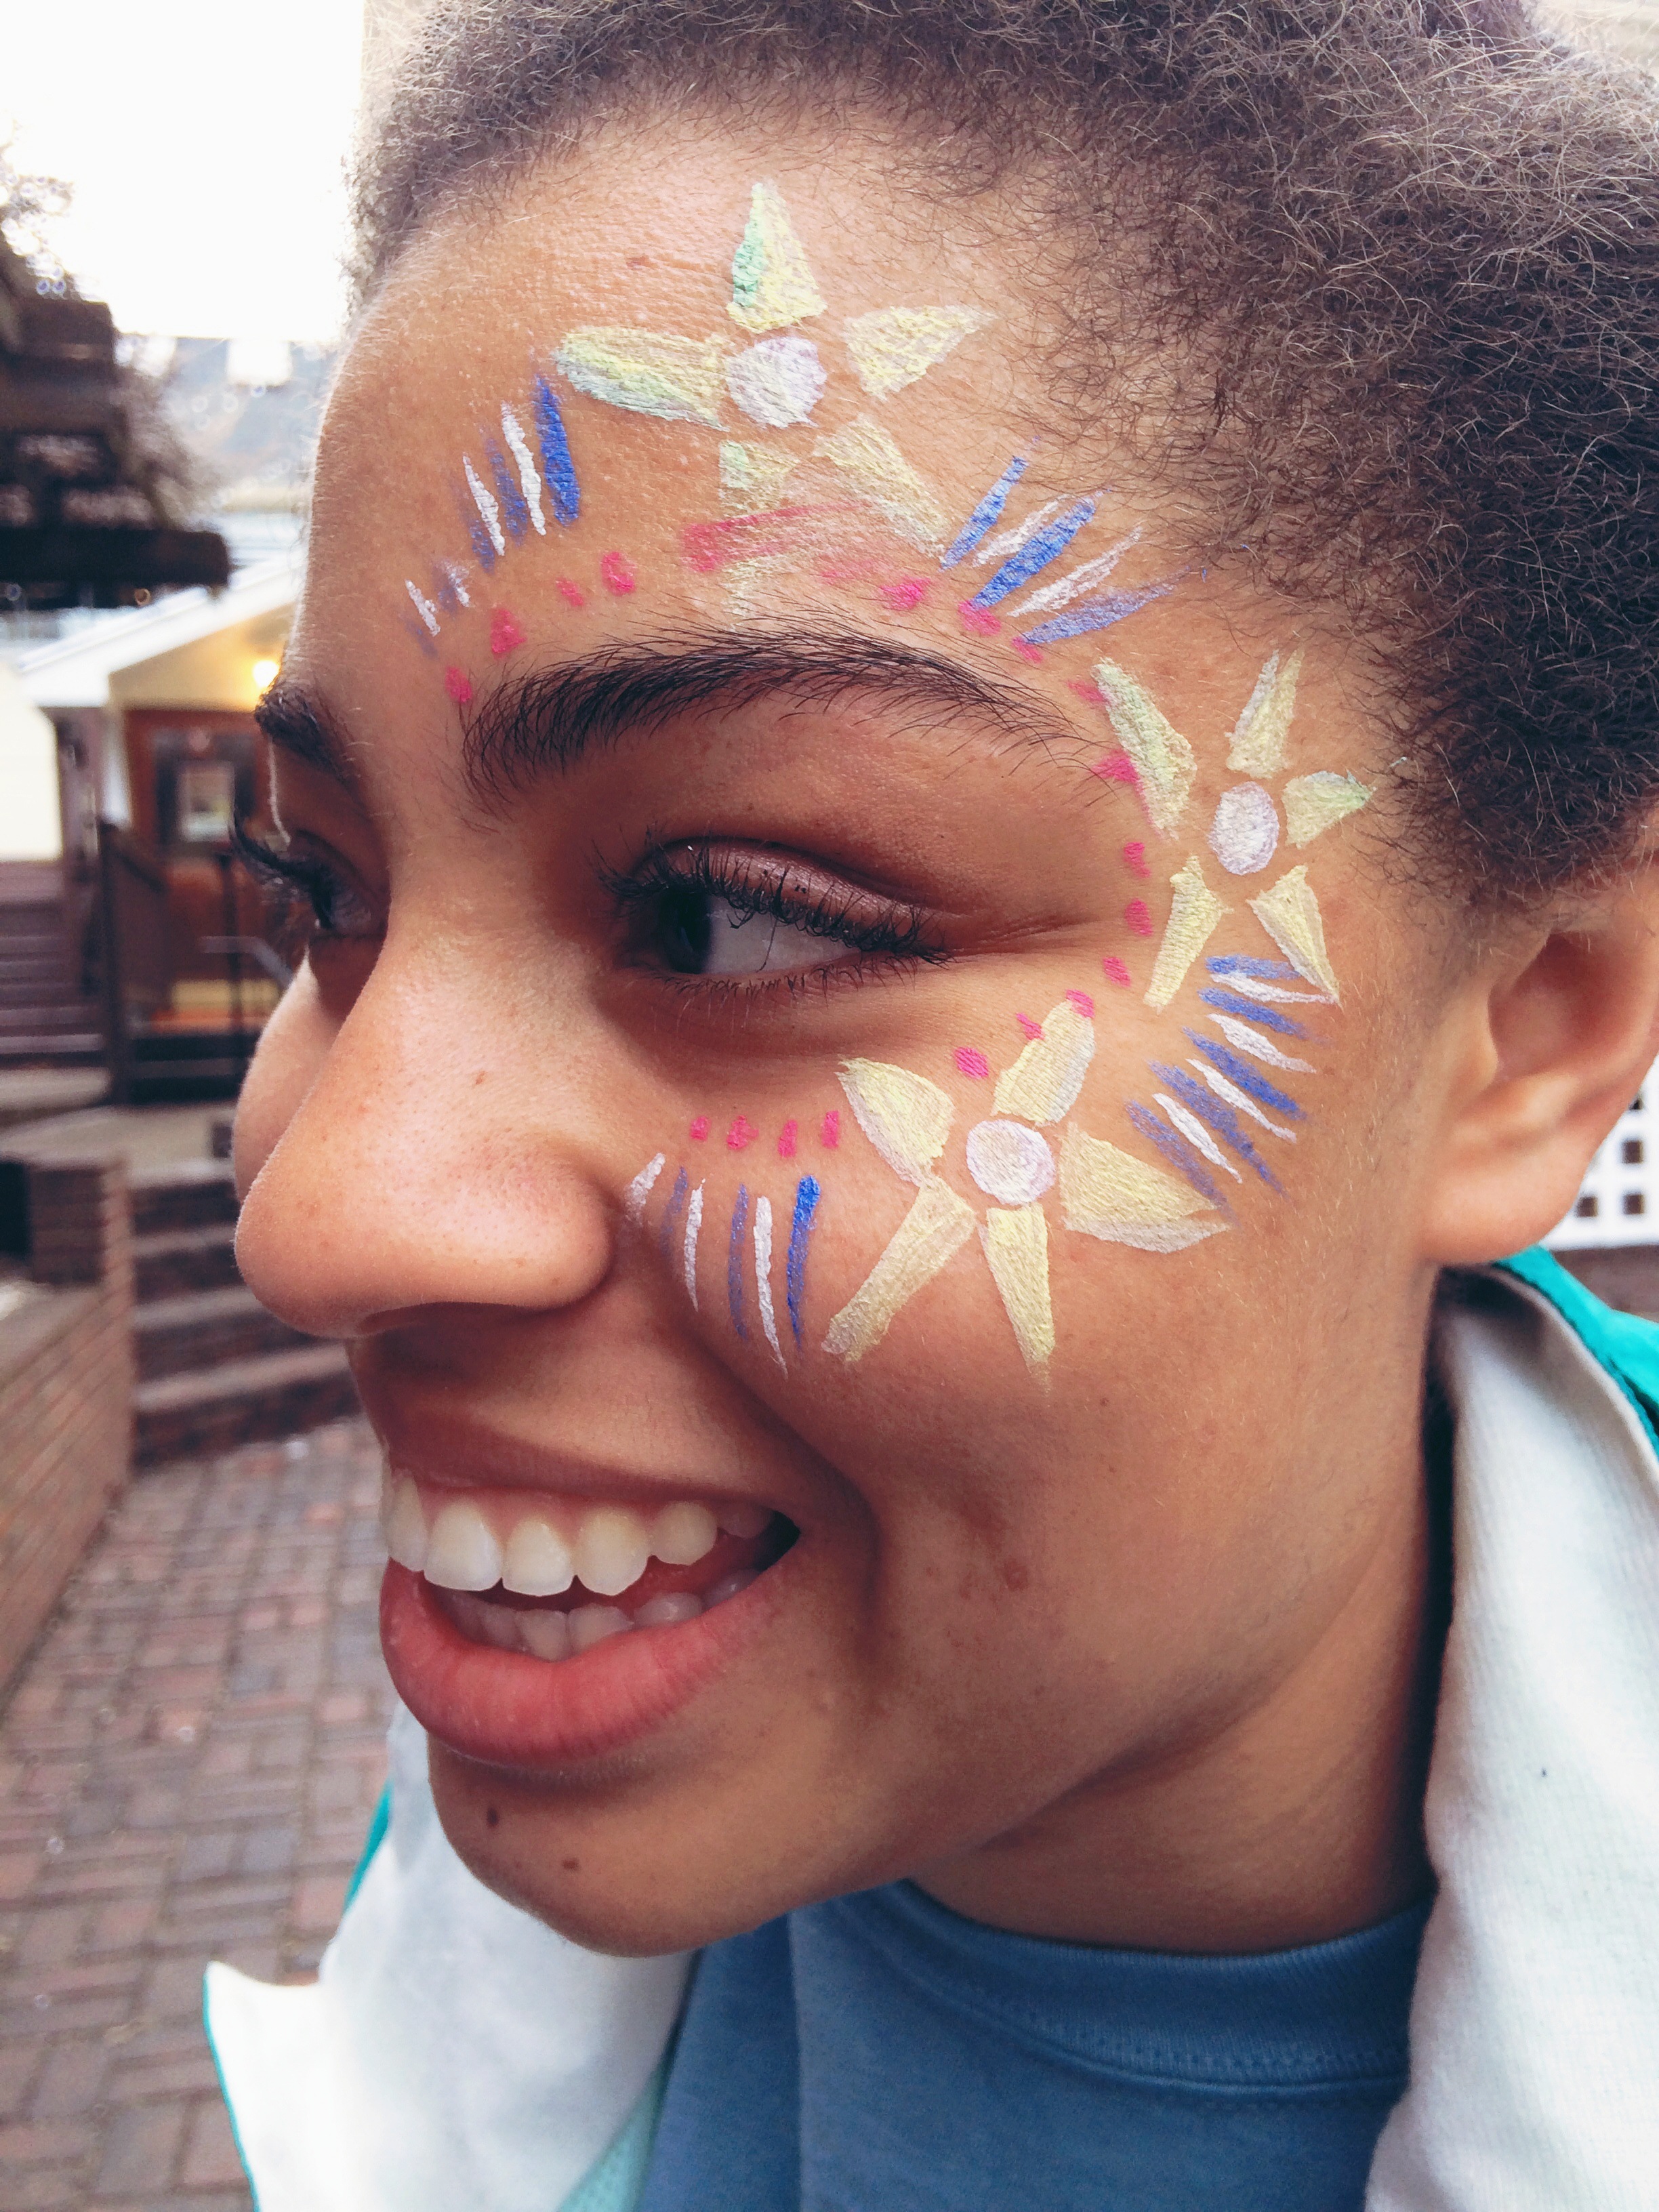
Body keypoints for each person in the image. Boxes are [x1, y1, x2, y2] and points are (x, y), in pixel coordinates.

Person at [203, 3, 1659, 2205]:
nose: (322, 1212)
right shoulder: (477, 1885)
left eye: (734, 919)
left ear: (1534, 1026)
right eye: (325, 895)